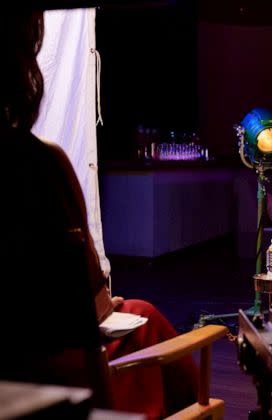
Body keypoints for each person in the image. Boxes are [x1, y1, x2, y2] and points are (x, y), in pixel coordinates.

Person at [0, 9, 198, 419]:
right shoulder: (40, 167)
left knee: (142, 312)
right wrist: (100, 304)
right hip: (39, 384)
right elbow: (89, 309)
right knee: (145, 321)